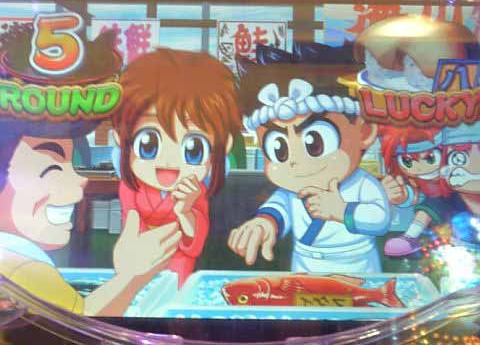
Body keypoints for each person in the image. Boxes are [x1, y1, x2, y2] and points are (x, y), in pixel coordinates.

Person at [0, 24, 182, 316]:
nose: (80, 183)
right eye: (50, 170)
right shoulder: (23, 269)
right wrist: (132, 276)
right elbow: (80, 328)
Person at [228, 43, 391, 274]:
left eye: (314, 143)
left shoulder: (362, 184)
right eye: (279, 150)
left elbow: (380, 219)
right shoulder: (292, 192)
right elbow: (278, 208)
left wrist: (342, 210)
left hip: (358, 266)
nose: (294, 161)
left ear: (364, 133)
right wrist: (264, 223)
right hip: (304, 267)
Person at [112, 48, 242, 286]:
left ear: (223, 147)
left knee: (175, 291)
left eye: (193, 149)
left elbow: (196, 241)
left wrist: (185, 211)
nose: (169, 161)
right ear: (121, 138)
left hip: (179, 260)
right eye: (149, 144)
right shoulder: (130, 186)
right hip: (138, 255)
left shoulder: (195, 191)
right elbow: (130, 223)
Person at [379, 126, 451, 257]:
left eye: (430, 158)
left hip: (459, 211)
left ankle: (410, 236)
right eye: (407, 161)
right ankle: (410, 237)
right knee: (430, 204)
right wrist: (401, 196)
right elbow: (413, 194)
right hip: (437, 227)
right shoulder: (415, 181)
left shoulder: (451, 171)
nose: (420, 167)